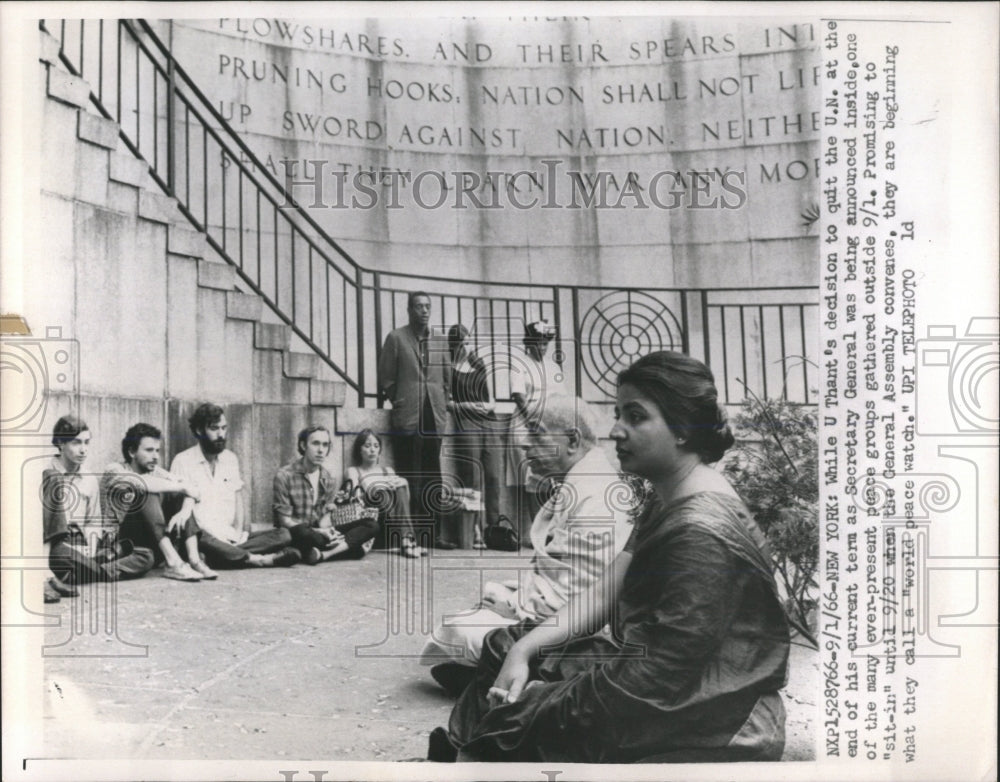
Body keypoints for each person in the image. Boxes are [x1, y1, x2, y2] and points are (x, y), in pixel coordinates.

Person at [429, 351, 790, 763]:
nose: (615, 431)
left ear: (683, 430)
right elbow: (604, 593)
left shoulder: (701, 530)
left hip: (717, 711)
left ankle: (471, 756)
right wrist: (523, 649)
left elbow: (656, 677)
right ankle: (469, 753)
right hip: (665, 679)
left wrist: (551, 701)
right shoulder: (667, 495)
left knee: (522, 715)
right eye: (619, 414)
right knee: (505, 647)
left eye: (635, 417)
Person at [421, 394, 632, 696]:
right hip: (558, 613)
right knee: (479, 610)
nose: (524, 443)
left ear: (572, 440)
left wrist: (512, 608)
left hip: (579, 631)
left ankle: (526, 680)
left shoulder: (594, 493)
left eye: (536, 432)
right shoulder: (584, 479)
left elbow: (580, 597)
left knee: (458, 630)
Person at [170, 403, 300, 568]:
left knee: (284, 535)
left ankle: (223, 557)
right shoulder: (183, 461)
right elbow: (181, 513)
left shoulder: (230, 459)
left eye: (224, 428)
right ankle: (258, 559)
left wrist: (240, 532)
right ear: (199, 430)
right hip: (202, 538)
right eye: (214, 429)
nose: (221, 434)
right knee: (199, 540)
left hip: (230, 535)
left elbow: (238, 498)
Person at [42, 415, 155, 601]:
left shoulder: (89, 478)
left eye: (87, 442)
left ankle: (81, 571)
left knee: (146, 555)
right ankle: (99, 568)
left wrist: (91, 548)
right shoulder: (45, 474)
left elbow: (92, 521)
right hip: (54, 546)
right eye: (76, 443)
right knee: (62, 555)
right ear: (61, 444)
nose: (83, 449)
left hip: (82, 546)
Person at [377, 291, 453, 549]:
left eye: (427, 306)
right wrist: (398, 399)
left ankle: (434, 535)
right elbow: (386, 377)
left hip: (434, 414)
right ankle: (408, 535)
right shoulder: (396, 338)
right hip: (408, 414)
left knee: (434, 475)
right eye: (419, 306)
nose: (424, 310)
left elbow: (446, 379)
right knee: (409, 473)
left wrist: (441, 400)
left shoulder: (441, 341)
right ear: (409, 310)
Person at [101, 423, 212, 582]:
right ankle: (174, 562)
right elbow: (141, 483)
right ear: (132, 451)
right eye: (149, 450)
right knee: (147, 491)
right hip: (120, 542)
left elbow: (193, 489)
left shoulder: (155, 471)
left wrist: (184, 511)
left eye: (157, 451)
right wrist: (182, 488)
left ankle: (195, 561)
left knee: (176, 494)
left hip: (148, 541)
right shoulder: (114, 470)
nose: (155, 456)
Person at [273, 425, 379, 563]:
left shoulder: (328, 478)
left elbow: (324, 519)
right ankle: (337, 550)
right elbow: (284, 521)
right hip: (299, 533)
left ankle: (323, 554)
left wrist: (329, 531)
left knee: (371, 525)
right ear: (303, 445)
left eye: (325, 445)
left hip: (320, 532)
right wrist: (319, 532)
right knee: (355, 550)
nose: (321, 450)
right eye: (315, 443)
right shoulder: (284, 475)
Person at [505, 320, 567, 544]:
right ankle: (535, 533)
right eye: (537, 343)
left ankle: (550, 530)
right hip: (526, 426)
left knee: (550, 477)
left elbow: (561, 399)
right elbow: (519, 396)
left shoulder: (553, 367)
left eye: (545, 343)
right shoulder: (520, 364)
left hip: (549, 427)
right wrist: (534, 422)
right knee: (531, 477)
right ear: (529, 344)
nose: (541, 348)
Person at [445, 323, 501, 548]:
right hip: (466, 423)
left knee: (494, 476)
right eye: (462, 343)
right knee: (473, 477)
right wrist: (468, 405)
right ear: (453, 345)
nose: (466, 348)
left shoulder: (478, 364)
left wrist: (486, 406)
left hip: (488, 421)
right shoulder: (449, 368)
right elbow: (449, 402)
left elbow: (492, 399)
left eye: (468, 342)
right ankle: (476, 529)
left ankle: (494, 529)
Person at [344, 429, 426, 558]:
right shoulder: (354, 471)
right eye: (367, 445)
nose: (372, 450)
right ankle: (409, 541)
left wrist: (405, 484)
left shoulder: (387, 470)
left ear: (380, 451)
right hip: (371, 516)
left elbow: (404, 501)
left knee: (400, 485)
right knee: (381, 489)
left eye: (376, 446)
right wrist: (377, 486)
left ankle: (406, 540)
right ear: (359, 450)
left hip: (390, 518)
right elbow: (354, 498)